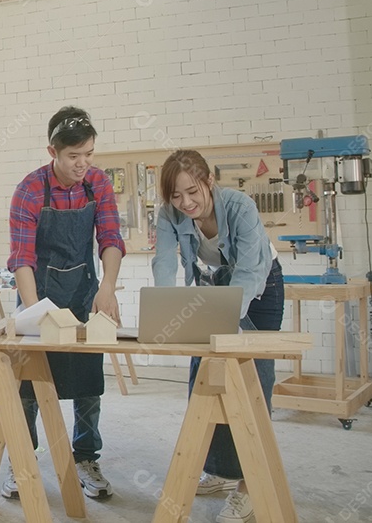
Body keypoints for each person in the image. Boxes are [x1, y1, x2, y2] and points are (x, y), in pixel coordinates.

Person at [151, 149, 285, 523]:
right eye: (176, 196)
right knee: (205, 374)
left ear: (209, 181)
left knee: (254, 377)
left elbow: (249, 272)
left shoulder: (240, 206)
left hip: (261, 283)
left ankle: (249, 487)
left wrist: (227, 322)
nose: (185, 203)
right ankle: (221, 471)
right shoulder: (169, 214)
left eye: (192, 191)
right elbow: (163, 262)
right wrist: (163, 314)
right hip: (214, 284)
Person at [4, 106, 124, 500]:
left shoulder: (98, 185)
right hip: (38, 291)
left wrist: (108, 286)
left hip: (83, 293)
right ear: (52, 151)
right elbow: (21, 257)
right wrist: (35, 311)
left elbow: (110, 238)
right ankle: (22, 461)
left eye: (88, 154)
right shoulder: (30, 189)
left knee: (88, 382)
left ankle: (86, 458)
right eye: (74, 156)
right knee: (29, 384)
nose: (83, 164)